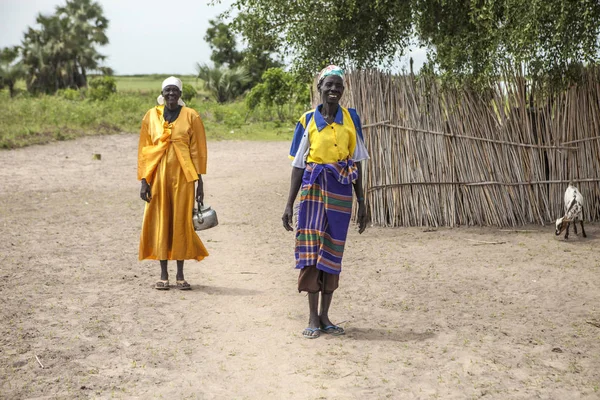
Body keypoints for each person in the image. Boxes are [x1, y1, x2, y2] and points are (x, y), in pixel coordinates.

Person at [282, 65, 369, 339]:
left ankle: (325, 316)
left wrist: (362, 201)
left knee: (333, 250)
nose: (333, 90)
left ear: (343, 90)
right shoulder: (307, 120)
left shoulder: (351, 118)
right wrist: (288, 204)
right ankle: (311, 317)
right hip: (313, 191)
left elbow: (356, 161)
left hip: (341, 190)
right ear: (319, 88)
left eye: (338, 86)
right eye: (328, 85)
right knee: (311, 251)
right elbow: (298, 166)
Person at [137, 76, 209, 290]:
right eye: (167, 91)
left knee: (180, 222)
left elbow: (197, 151)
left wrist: (200, 183)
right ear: (162, 93)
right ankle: (162, 275)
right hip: (158, 176)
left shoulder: (191, 116)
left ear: (180, 94)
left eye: (174, 91)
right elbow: (144, 150)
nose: (171, 94)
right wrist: (144, 181)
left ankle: (180, 275)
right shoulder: (151, 116)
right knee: (160, 221)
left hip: (184, 178)